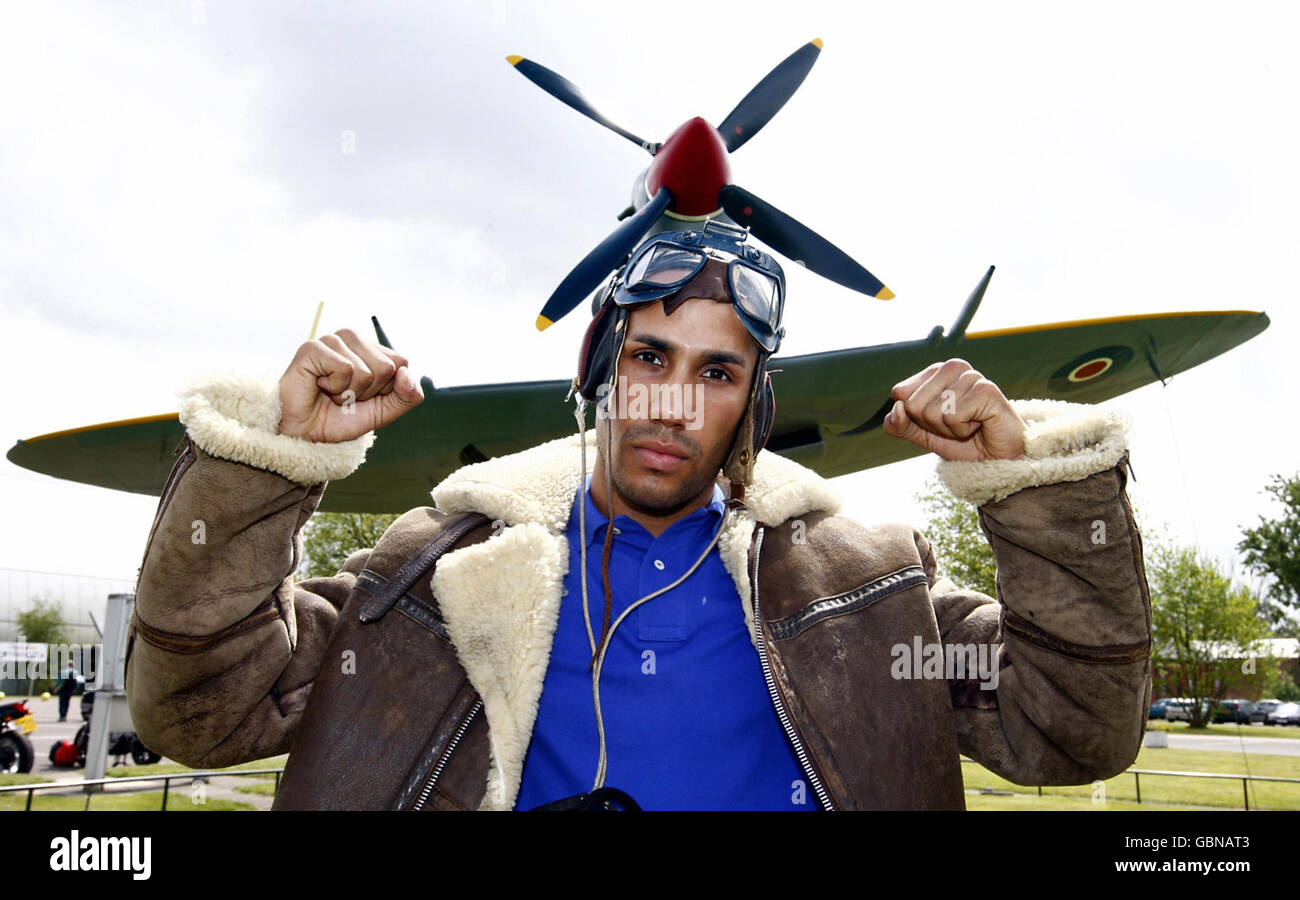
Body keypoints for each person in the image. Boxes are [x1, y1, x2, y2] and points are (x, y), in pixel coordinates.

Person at [125, 227, 1152, 810]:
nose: (670, 400)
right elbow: (199, 711)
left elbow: (1073, 732)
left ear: (751, 405)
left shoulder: (870, 585)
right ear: (595, 371)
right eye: (648, 356)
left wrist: (1038, 493)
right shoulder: (434, 572)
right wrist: (272, 462)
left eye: (716, 372)